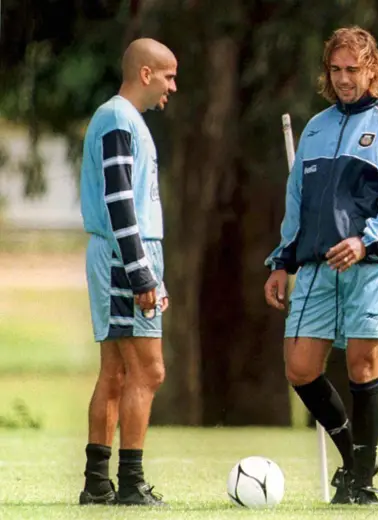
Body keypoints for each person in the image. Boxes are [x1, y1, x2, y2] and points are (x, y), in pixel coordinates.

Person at [264, 26, 378, 505]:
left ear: (372, 68)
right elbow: (297, 202)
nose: (343, 79)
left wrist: (365, 241)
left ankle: (360, 483)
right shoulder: (314, 127)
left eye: (352, 69)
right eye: (335, 70)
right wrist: (281, 262)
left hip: (369, 267)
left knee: (362, 366)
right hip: (314, 268)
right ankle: (356, 461)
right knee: (299, 367)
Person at [78, 38, 177, 506]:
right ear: (144, 73)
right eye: (168, 76)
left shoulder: (122, 119)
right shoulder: (118, 119)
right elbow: (120, 201)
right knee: (149, 370)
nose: (171, 87)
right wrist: (142, 275)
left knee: (117, 371)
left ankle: (97, 483)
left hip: (124, 254)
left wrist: (150, 272)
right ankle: (132, 483)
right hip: (124, 256)